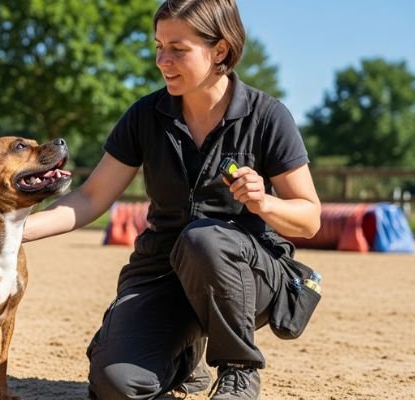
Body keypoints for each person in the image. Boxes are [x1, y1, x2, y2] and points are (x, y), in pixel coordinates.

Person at [22, 0, 321, 399]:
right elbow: (91, 197)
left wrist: (265, 204)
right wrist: (13, 231)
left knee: (204, 240)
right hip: (162, 274)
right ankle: (183, 362)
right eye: (159, 47)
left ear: (220, 51)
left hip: (248, 276)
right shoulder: (145, 115)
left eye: (178, 49)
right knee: (116, 385)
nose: (163, 60)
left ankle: (239, 370)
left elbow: (310, 218)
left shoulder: (267, 117)